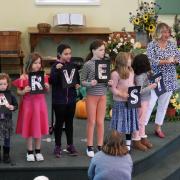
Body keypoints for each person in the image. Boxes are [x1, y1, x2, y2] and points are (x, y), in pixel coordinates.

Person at [13, 52, 49, 162]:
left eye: (39, 63)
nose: (38, 65)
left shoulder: (44, 76)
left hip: (40, 105)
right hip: (28, 105)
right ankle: (29, 151)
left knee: (38, 127)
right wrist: (24, 91)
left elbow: (47, 90)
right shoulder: (24, 77)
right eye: (35, 63)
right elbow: (18, 92)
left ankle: (38, 151)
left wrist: (47, 87)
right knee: (29, 128)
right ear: (29, 64)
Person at [146, 22, 180, 138]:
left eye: (169, 31)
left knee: (163, 105)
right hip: (156, 79)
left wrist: (175, 60)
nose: (168, 34)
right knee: (150, 104)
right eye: (165, 32)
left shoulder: (172, 44)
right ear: (159, 33)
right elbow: (150, 61)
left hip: (170, 78)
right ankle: (141, 129)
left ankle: (158, 127)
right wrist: (166, 61)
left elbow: (178, 56)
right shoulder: (152, 45)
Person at [81, 40, 113, 157]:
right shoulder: (88, 64)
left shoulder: (105, 63)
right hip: (92, 96)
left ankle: (100, 145)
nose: (102, 52)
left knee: (100, 122)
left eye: (103, 50)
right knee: (91, 121)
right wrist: (91, 83)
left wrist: (109, 82)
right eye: (100, 50)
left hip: (102, 95)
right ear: (93, 51)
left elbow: (106, 80)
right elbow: (83, 81)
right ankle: (89, 146)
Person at [49, 44, 80, 158]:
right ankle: (57, 146)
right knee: (59, 123)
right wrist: (57, 71)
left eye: (70, 53)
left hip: (71, 99)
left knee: (70, 123)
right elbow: (52, 81)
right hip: (59, 100)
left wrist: (77, 85)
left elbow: (76, 80)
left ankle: (70, 144)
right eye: (65, 54)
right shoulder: (55, 66)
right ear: (59, 54)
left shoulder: (72, 66)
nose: (68, 56)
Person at [110, 52, 138, 151]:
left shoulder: (131, 71)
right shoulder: (115, 74)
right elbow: (113, 89)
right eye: (129, 59)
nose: (131, 61)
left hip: (130, 101)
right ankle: (116, 142)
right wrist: (122, 94)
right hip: (120, 102)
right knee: (119, 123)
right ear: (123, 61)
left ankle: (128, 143)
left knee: (129, 122)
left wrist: (134, 92)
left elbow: (132, 83)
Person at [132, 54, 157, 151]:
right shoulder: (139, 76)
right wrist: (150, 87)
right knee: (139, 121)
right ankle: (136, 139)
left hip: (145, 100)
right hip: (141, 100)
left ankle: (142, 137)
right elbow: (139, 90)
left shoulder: (144, 73)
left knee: (142, 120)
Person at [0, 73, 18, 163]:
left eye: (4, 84)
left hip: (7, 120)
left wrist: (12, 107)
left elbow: (16, 105)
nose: (2, 86)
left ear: (7, 84)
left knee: (7, 138)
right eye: (0, 84)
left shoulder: (10, 94)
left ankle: (6, 154)